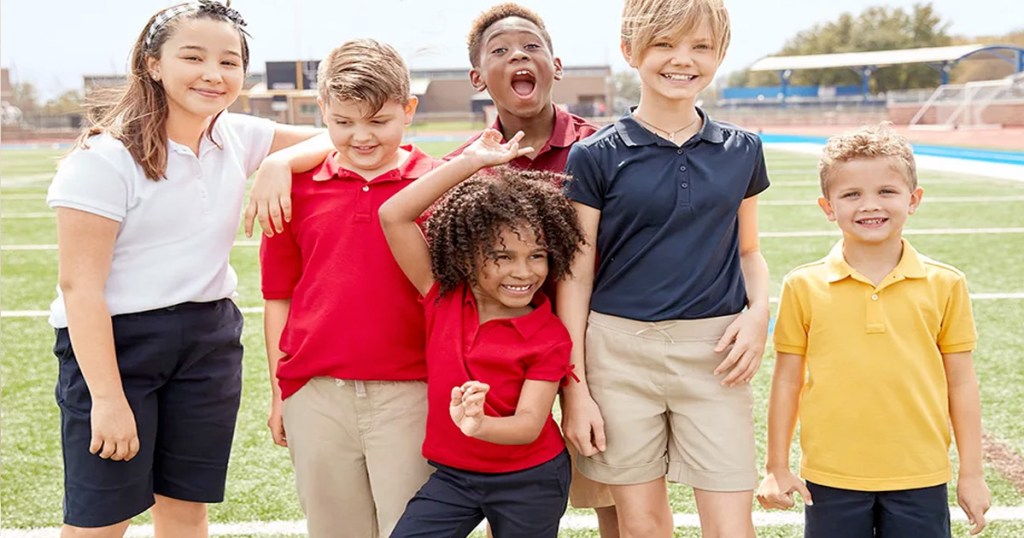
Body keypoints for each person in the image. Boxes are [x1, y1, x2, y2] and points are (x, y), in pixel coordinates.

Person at [45, 2, 319, 536]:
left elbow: (344, 135)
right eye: (193, 57)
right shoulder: (105, 158)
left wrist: (280, 162)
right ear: (152, 64)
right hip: (118, 348)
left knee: (185, 508)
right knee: (104, 518)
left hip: (208, 340)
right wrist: (107, 398)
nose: (213, 75)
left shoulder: (237, 135)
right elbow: (80, 289)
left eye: (229, 61)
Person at [558, 0, 770, 536]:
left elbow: (749, 251)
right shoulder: (594, 155)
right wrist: (576, 389)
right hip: (618, 357)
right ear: (630, 51)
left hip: (716, 356)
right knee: (643, 524)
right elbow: (577, 275)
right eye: (665, 44)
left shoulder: (743, 149)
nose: (683, 60)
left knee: (730, 526)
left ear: (720, 55)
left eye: (701, 46)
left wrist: (759, 313)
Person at [756, 123, 991, 537]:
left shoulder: (946, 283)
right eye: (851, 194)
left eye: (886, 191)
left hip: (920, 474)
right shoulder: (803, 285)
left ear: (913, 199)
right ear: (828, 207)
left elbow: (961, 383)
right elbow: (787, 380)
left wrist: (971, 473)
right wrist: (776, 466)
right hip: (831, 476)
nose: (870, 205)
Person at [448, 4, 618, 532]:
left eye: (531, 46)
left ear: (556, 65)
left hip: (597, 353)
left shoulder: (605, 148)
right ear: (478, 78)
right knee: (520, 499)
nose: (518, 55)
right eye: (500, 51)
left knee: (615, 499)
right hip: (508, 363)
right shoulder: (466, 163)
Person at [259, 38, 437, 538]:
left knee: (413, 529)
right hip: (316, 396)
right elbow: (279, 298)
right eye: (343, 122)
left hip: (412, 394)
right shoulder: (292, 188)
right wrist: (280, 393)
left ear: (408, 109)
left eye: (378, 121)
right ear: (323, 113)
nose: (361, 136)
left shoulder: (438, 184)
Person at [381, 130, 585, 538]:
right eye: (503, 256)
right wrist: (473, 162)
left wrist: (478, 426)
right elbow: (393, 215)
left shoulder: (549, 334)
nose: (524, 272)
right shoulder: (442, 297)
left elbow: (529, 423)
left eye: (537, 256)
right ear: (466, 255)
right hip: (455, 477)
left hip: (531, 478)